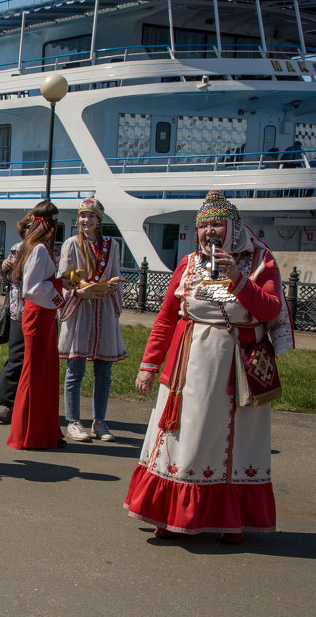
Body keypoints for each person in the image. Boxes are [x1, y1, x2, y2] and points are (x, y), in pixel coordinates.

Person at [125, 190, 293, 544]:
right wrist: (148, 365)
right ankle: (171, 515)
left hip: (238, 367)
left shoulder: (261, 261)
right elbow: (167, 317)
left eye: (216, 223)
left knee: (233, 443)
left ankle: (229, 520)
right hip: (190, 365)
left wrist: (239, 279)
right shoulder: (188, 264)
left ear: (233, 226)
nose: (209, 231)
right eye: (203, 225)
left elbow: (269, 310)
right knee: (183, 438)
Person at [6, 200, 75, 451]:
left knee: (44, 375)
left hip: (42, 315)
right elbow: (31, 288)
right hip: (38, 315)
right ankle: (29, 434)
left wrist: (57, 283)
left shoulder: (33, 246)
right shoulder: (39, 249)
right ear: (52, 224)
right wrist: (59, 286)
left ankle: (43, 431)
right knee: (35, 376)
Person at [58, 197, 127, 443]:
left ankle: (100, 421)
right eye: (82, 216)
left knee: (104, 371)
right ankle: (74, 421)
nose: (85, 220)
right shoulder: (71, 244)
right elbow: (65, 278)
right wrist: (78, 291)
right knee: (75, 369)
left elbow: (116, 273)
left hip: (104, 310)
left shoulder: (113, 245)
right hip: (81, 310)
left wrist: (114, 285)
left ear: (99, 220)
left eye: (90, 216)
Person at [0, 213, 33, 424]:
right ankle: (8, 402)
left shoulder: (49, 250)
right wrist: (4, 270)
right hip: (18, 311)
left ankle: (29, 404)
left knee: (34, 362)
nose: (30, 231)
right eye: (28, 227)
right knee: (17, 358)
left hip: (40, 313)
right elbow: (6, 282)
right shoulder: (16, 248)